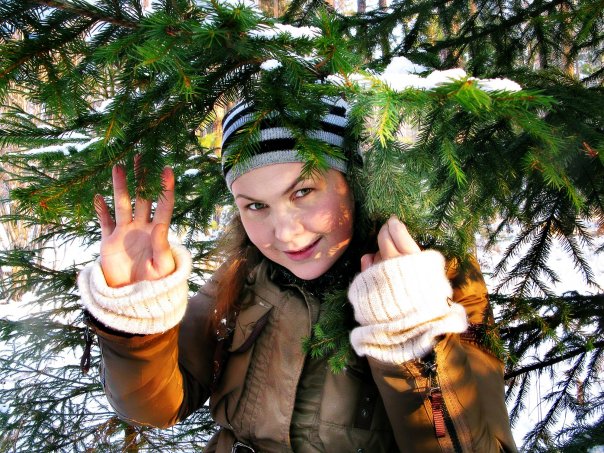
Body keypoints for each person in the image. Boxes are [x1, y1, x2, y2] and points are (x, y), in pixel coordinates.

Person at [78, 98, 517, 452]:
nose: (285, 233)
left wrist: (410, 337)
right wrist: (136, 318)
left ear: (353, 181)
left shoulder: (436, 278)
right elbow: (155, 406)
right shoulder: (245, 273)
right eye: (256, 205)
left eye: (303, 191)